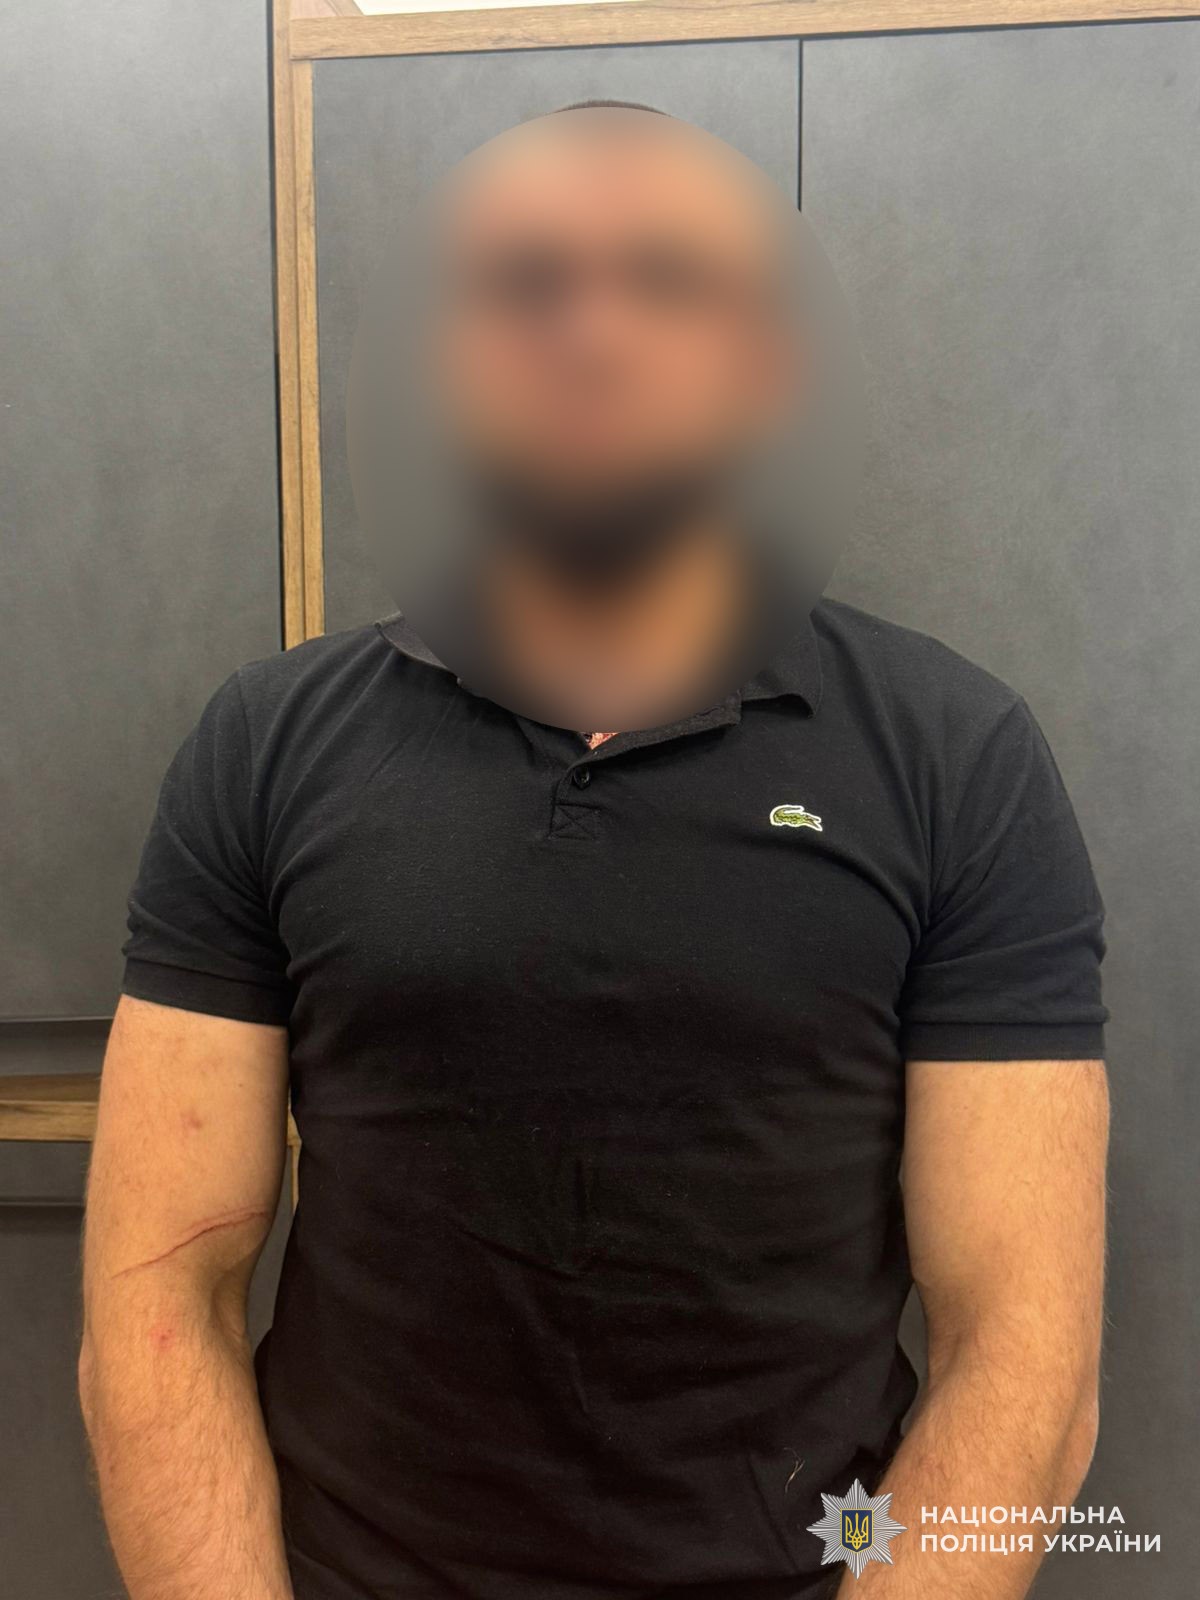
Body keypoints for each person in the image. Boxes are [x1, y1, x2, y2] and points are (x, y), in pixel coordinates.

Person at [79, 103, 1109, 1600]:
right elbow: (159, 1296)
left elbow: (1021, 1354)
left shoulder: (957, 757)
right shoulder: (267, 743)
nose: (593, 333)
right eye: (523, 284)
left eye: (670, 281)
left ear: (767, 367)